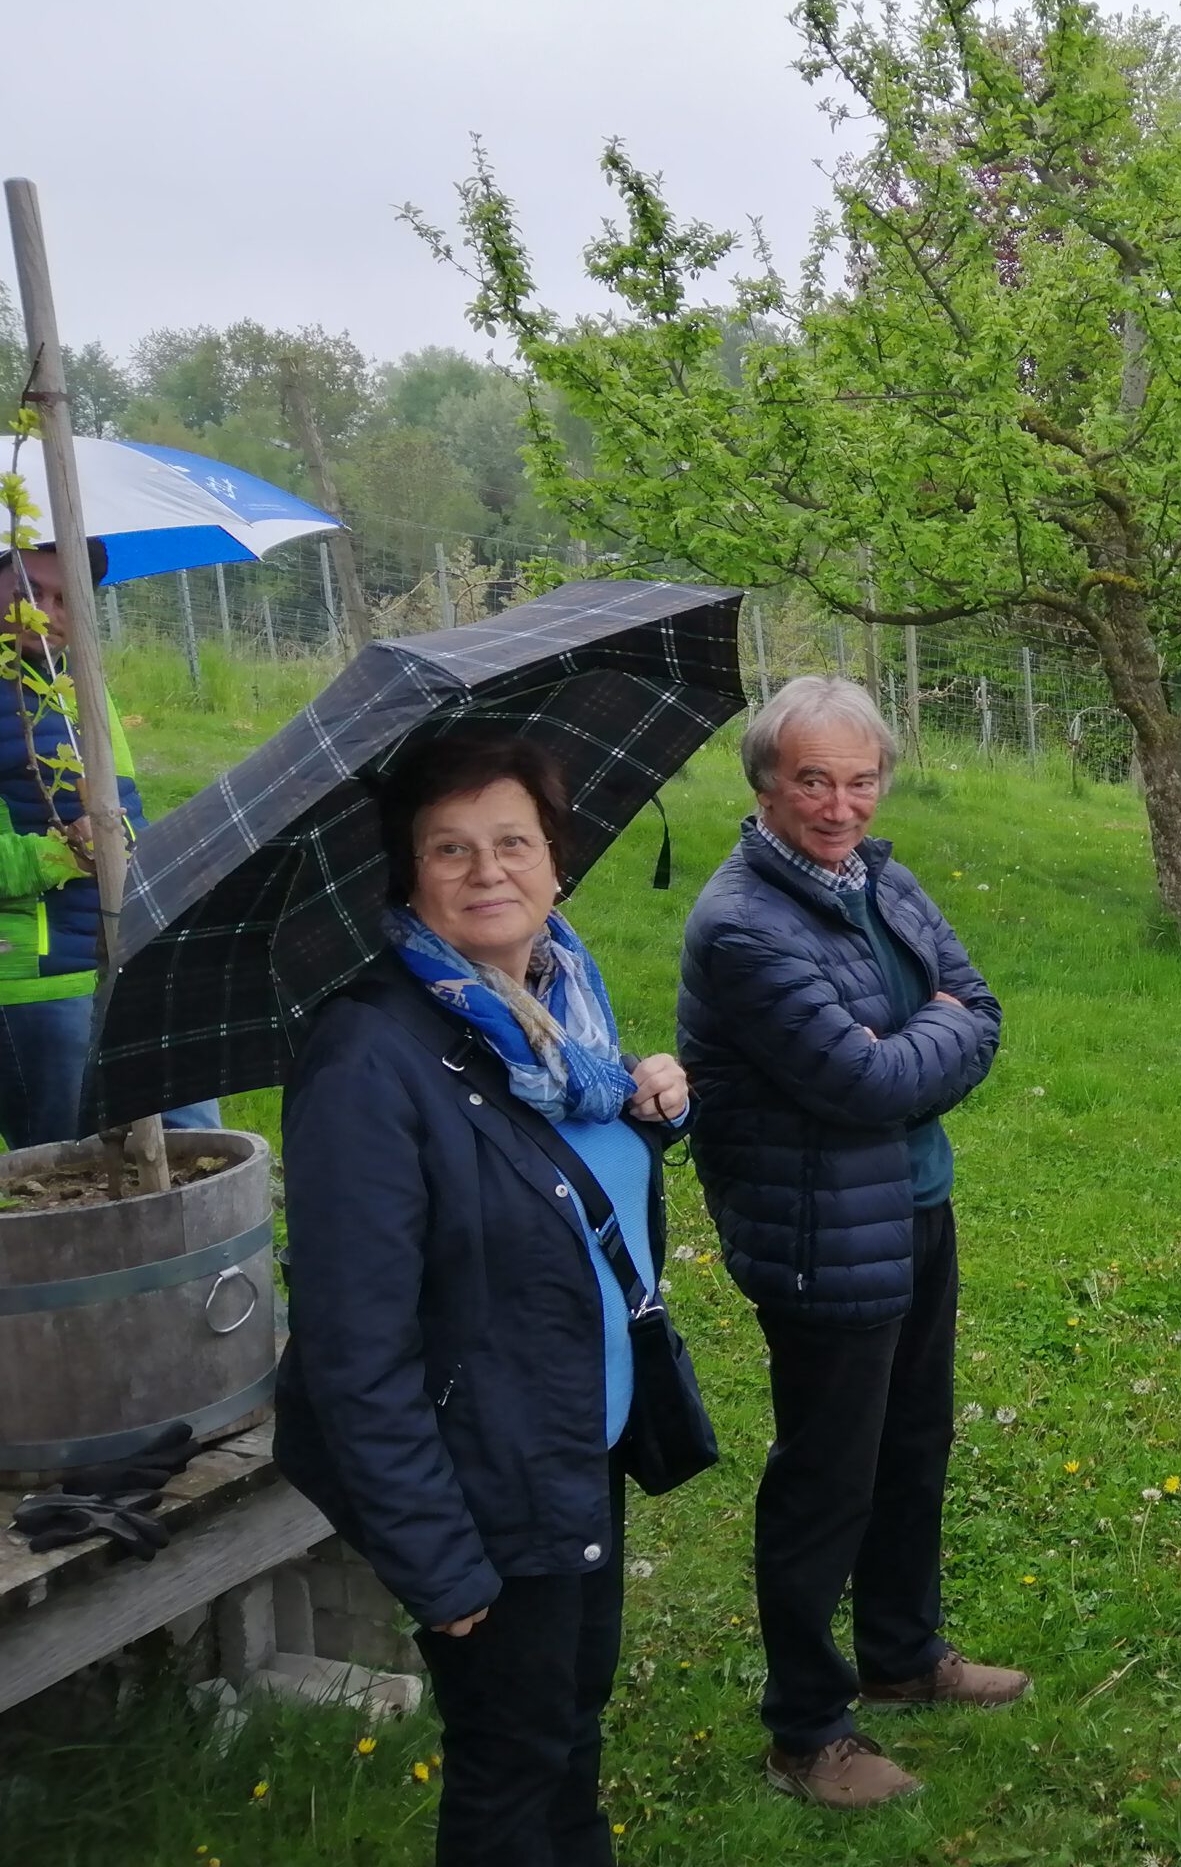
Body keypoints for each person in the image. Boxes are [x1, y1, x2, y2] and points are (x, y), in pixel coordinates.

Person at [273, 732, 691, 1867]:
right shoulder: (370, 1056)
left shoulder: (553, 1019)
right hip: (485, 1481)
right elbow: (352, 1351)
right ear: (407, 877)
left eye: (513, 842)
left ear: (556, 861)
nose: (486, 871)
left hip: (570, 1445)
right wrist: (437, 1561)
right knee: (511, 1768)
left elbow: (548, 1184)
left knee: (569, 1732)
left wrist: (646, 1112)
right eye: (448, 850)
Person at [677, 676, 1018, 1811]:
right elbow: (860, 1079)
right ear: (767, 784)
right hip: (821, 1230)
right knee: (828, 1476)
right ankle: (806, 1728)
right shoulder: (740, 925)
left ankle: (903, 1652)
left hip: (915, 1206)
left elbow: (983, 1013)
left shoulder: (882, 879)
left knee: (914, 1445)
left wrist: (917, 1034)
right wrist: (928, 1036)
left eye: (859, 778)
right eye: (812, 779)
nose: (839, 804)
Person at [0, 542, 218, 1146]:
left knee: (193, 1144)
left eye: (67, 598)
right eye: (28, 594)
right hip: (36, 981)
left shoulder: (77, 689)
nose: (47, 613)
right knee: (73, 1177)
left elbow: (121, 815)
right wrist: (61, 852)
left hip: (128, 947)